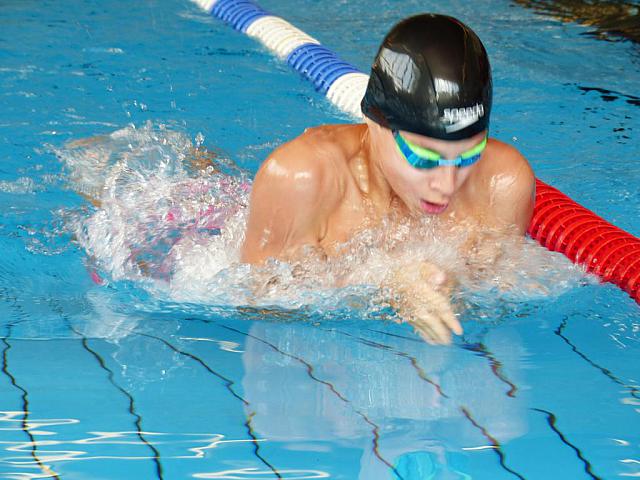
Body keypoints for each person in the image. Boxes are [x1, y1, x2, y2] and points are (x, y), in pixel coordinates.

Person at [240, 14, 535, 344]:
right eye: (424, 157)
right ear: (375, 122)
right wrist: (384, 285)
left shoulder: (501, 183)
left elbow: (498, 306)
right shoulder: (302, 179)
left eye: (468, 155)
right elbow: (261, 311)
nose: (447, 184)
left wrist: (455, 283)